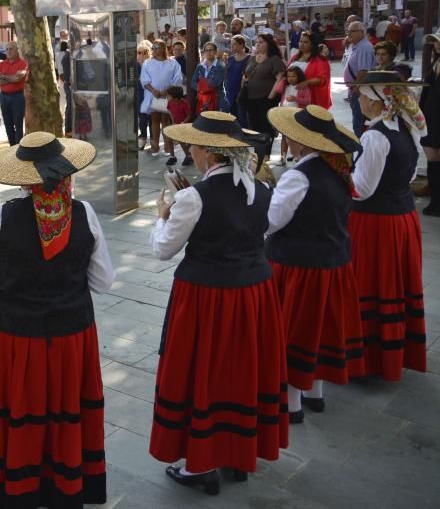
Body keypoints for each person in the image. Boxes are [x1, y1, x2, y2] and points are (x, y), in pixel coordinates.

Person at [0, 132, 112, 508]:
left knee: (18, 413)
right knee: (65, 413)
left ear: (23, 177)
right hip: (70, 335)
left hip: (14, 336)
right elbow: (103, 281)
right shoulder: (85, 214)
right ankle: (64, 487)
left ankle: (17, 487)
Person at [150, 112, 287, 495]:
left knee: (203, 373)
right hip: (253, 292)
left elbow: (163, 250)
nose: (189, 150)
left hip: (206, 296)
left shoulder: (194, 197)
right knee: (240, 371)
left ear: (210, 154)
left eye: (193, 144)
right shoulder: (261, 189)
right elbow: (266, 229)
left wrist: (162, 217)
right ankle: (236, 455)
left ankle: (201, 465)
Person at [266, 105, 364, 421]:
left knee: (295, 331)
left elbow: (272, 222)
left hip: (299, 264)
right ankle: (315, 393)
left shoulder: (298, 176)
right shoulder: (338, 169)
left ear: (303, 141)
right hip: (333, 262)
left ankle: (292, 404)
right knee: (318, 328)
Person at [348, 71, 429, 380]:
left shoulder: (375, 136)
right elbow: (406, 178)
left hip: (375, 224)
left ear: (379, 99)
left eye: (364, 94)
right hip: (402, 218)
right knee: (393, 285)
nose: (358, 98)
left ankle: (367, 359)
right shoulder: (407, 130)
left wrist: (338, 177)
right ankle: (389, 354)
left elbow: (362, 189)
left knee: (371, 283)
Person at [140, 40, 184, 157]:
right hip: (153, 95)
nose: (153, 50)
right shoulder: (147, 63)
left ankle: (167, 145)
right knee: (154, 119)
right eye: (153, 48)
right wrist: (153, 90)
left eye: (156, 48)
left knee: (165, 120)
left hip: (166, 95)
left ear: (163, 49)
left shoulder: (172, 63)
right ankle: (155, 146)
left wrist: (166, 91)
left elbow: (177, 78)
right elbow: (144, 79)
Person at [242, 33, 286, 143]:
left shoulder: (274, 60)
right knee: (253, 127)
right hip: (250, 98)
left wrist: (270, 97)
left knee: (265, 127)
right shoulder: (251, 59)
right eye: (256, 42)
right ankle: (257, 153)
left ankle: (266, 153)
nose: (258, 44)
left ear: (269, 44)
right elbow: (245, 75)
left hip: (266, 99)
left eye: (261, 42)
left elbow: (280, 79)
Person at [342, 21, 376, 136]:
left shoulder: (364, 48)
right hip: (356, 89)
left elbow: (364, 70)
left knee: (359, 122)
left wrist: (356, 87)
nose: (349, 34)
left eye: (352, 31)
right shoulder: (358, 46)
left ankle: (362, 146)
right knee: (358, 120)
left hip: (360, 90)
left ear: (361, 32)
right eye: (348, 31)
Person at [0, 42, 28, 146]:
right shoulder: (1, 64)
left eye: (11, 49)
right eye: (7, 49)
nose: (8, 51)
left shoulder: (23, 63)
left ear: (17, 50)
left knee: (18, 124)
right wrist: (12, 78)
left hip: (17, 96)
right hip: (4, 96)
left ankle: (19, 147)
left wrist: (3, 77)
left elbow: (19, 78)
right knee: (8, 124)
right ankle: (12, 147)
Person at [421, 30, 440, 215]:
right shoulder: (434, 63)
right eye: (435, 42)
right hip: (432, 117)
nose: (437, 45)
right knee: (433, 160)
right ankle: (435, 200)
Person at [287, 31, 332, 109]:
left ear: (312, 44)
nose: (301, 44)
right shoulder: (294, 57)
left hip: (310, 98)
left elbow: (323, 79)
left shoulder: (320, 59)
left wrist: (306, 82)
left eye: (305, 42)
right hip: (292, 97)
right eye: (300, 41)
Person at [189, 42, 225, 116]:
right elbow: (193, 83)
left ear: (215, 51)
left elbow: (214, 83)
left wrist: (201, 84)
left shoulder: (220, 66)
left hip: (216, 99)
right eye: (206, 50)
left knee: (215, 123)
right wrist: (202, 86)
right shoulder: (200, 66)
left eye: (211, 50)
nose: (208, 52)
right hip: (202, 99)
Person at [223, 35, 250, 123]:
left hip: (241, 90)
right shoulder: (230, 59)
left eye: (234, 44)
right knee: (233, 114)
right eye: (231, 44)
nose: (232, 47)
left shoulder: (249, 58)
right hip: (230, 90)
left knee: (242, 115)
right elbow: (226, 74)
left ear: (242, 45)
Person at [166, 86, 192, 166]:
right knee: (169, 139)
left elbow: (189, 115)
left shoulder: (184, 104)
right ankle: (172, 156)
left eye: (168, 95)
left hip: (184, 126)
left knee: (182, 141)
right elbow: (170, 111)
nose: (167, 97)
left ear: (175, 98)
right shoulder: (170, 103)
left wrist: (183, 122)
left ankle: (188, 156)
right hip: (175, 124)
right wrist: (173, 122)